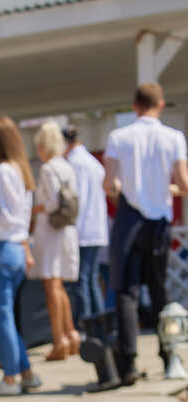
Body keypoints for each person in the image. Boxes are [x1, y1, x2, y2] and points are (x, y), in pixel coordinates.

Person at [104, 82, 188, 385]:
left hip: (129, 217)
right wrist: (166, 189)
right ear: (161, 104)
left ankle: (127, 363)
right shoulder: (173, 138)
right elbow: (184, 182)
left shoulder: (119, 137)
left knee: (126, 292)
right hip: (159, 221)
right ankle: (170, 357)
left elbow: (109, 184)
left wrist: (124, 191)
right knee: (159, 291)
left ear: (135, 105)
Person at [0, 117, 41, 397]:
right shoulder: (20, 170)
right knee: (7, 317)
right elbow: (20, 217)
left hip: (1, 248)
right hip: (16, 248)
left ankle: (11, 377)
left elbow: (5, 214)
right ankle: (24, 372)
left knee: (0, 316)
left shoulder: (3, 171)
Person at [32, 120, 80, 361]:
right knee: (60, 287)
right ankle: (70, 333)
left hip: (51, 231)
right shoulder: (67, 167)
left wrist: (32, 208)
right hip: (66, 229)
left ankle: (59, 338)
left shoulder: (49, 168)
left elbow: (50, 204)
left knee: (51, 286)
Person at [62, 125, 108, 326]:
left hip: (82, 229)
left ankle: (87, 325)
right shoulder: (92, 162)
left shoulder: (74, 164)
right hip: (96, 228)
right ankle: (99, 323)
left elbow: (74, 200)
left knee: (83, 280)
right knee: (91, 279)